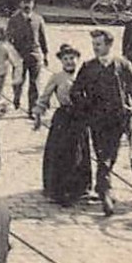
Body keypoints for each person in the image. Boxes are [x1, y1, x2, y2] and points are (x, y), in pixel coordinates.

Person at [69, 29, 132, 216]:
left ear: (108, 45)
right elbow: (76, 92)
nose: (95, 48)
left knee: (110, 153)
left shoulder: (122, 65)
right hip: (96, 119)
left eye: (98, 45)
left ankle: (103, 186)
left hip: (118, 117)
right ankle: (104, 189)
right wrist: (86, 107)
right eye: (93, 45)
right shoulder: (88, 66)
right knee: (102, 153)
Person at [32, 44, 91, 206]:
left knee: (79, 152)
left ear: (77, 59)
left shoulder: (84, 76)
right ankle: (58, 189)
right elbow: (45, 97)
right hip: (63, 119)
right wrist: (38, 114)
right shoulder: (57, 77)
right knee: (61, 152)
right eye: (66, 59)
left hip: (79, 117)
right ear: (61, 61)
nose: (69, 62)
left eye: (72, 58)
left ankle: (79, 188)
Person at [4, 0, 49, 114]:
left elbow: (42, 38)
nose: (27, 5)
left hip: (34, 55)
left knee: (34, 84)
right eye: (24, 2)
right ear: (20, 4)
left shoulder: (38, 19)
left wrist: (45, 54)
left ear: (33, 4)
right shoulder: (14, 19)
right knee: (18, 81)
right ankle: (16, 97)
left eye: (30, 2)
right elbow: (7, 39)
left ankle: (32, 109)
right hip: (19, 56)